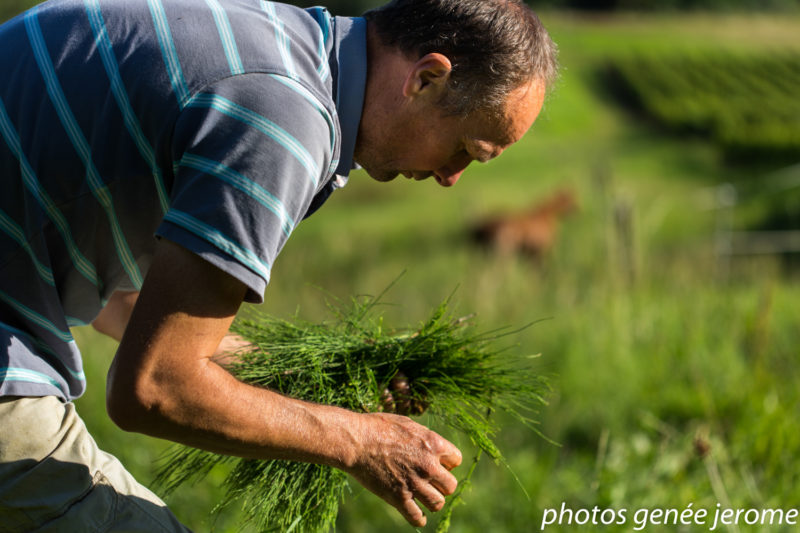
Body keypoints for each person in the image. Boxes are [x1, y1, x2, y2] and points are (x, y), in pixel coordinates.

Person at [0, 0, 557, 529]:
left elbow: (125, 307)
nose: (452, 176)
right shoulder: (282, 119)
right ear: (426, 78)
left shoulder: (281, 40)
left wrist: (308, 383)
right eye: (467, 147)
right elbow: (153, 386)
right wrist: (359, 441)